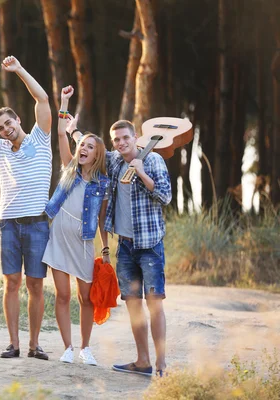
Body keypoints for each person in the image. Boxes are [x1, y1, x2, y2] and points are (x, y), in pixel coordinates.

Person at [0, 55, 52, 361]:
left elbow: (42, 98)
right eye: (1, 127)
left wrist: (18, 70)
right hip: (9, 223)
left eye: (9, 123)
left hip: (38, 222)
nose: (6, 130)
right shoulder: (0, 147)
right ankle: (14, 344)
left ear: (18, 120)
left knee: (36, 284)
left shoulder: (41, 138)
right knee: (12, 283)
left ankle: (34, 344)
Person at [73, 119, 171, 376]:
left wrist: (141, 172)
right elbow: (89, 146)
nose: (121, 143)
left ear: (135, 137)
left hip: (150, 246)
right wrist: (71, 128)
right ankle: (143, 361)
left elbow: (165, 196)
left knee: (154, 304)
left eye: (125, 138)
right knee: (133, 305)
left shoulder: (153, 161)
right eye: (116, 140)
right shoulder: (115, 160)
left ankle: (161, 363)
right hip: (125, 247)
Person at [42, 86, 110, 365]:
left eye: (89, 147)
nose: (83, 149)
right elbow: (61, 133)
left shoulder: (102, 183)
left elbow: (102, 220)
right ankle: (68, 348)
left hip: (83, 240)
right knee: (63, 294)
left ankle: (85, 348)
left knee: (86, 297)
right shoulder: (68, 167)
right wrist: (65, 102)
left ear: (97, 155)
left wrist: (105, 249)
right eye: (82, 145)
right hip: (59, 236)